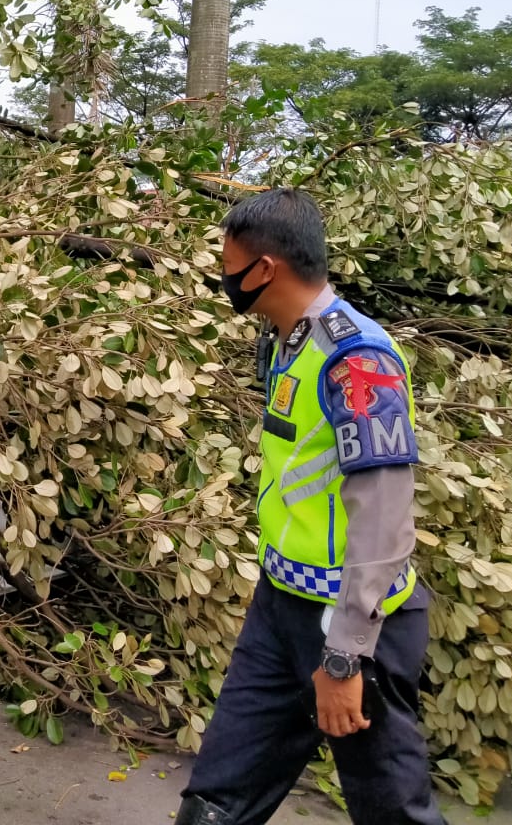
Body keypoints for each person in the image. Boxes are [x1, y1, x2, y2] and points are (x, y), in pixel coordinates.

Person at [175, 189, 447, 825]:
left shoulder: (356, 359)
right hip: (280, 608)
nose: (223, 276)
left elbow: (383, 519)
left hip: (354, 624)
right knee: (216, 800)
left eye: (227, 263)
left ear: (264, 269)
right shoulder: (287, 341)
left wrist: (345, 654)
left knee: (392, 813)